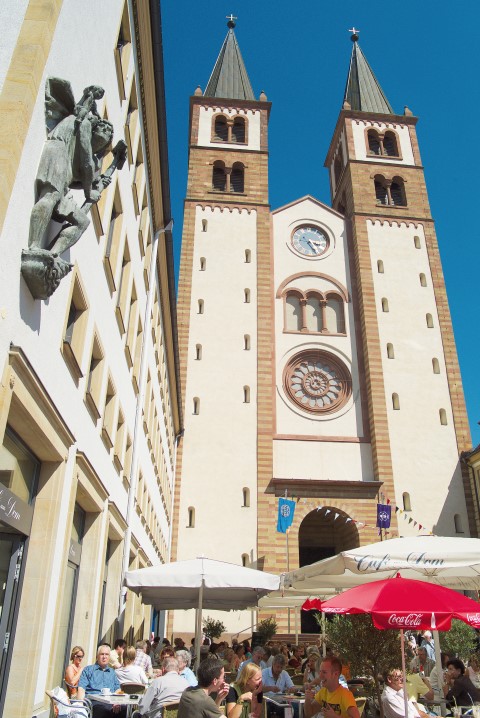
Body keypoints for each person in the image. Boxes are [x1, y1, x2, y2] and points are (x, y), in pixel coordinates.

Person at [77, 644, 126, 717]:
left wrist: (117, 702)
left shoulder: (112, 672)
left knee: (126, 710)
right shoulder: (88, 670)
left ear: (109, 657)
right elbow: (81, 688)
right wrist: (80, 704)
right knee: (103, 710)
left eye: (107, 654)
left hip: (110, 702)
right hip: (94, 702)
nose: (104, 657)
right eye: (102, 654)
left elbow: (118, 689)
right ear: (97, 656)